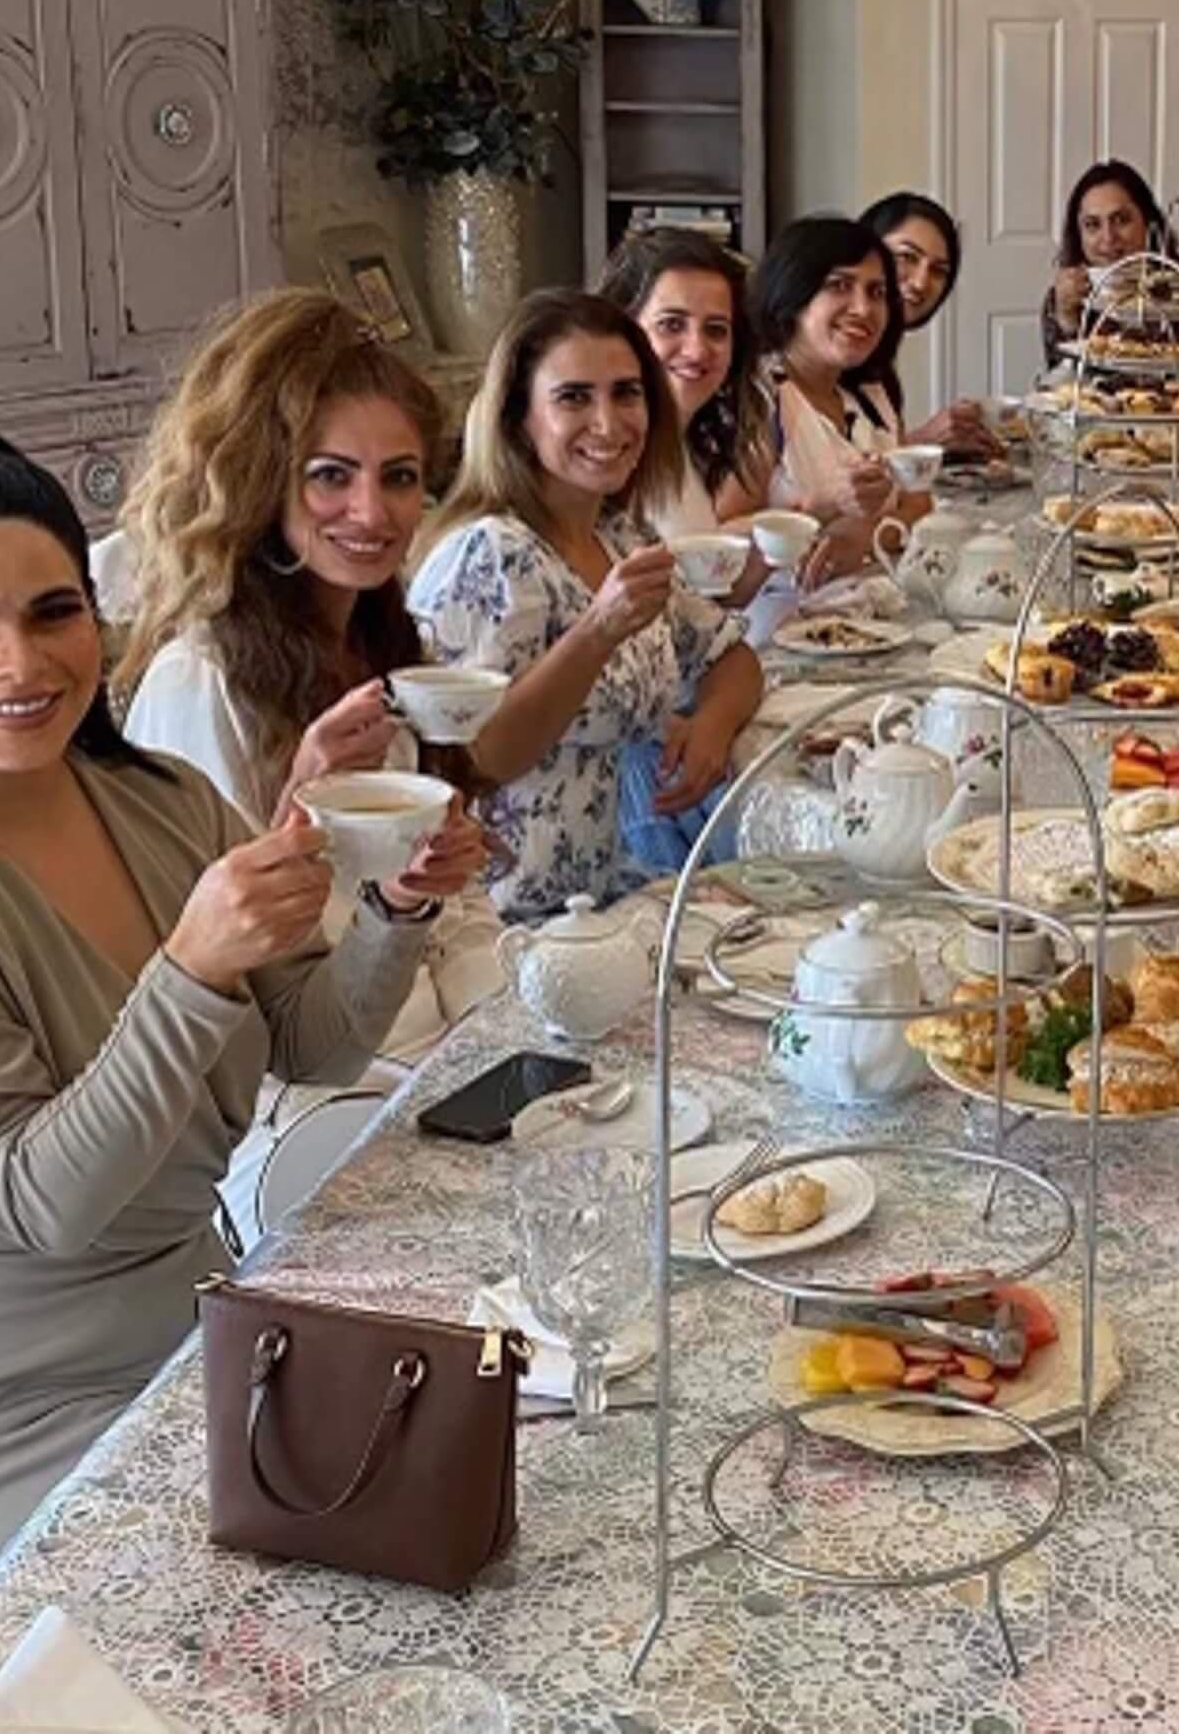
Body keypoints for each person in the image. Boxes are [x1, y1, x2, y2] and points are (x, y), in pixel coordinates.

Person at [0, 429, 482, 1611]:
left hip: (186, 1348)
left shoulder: (154, 797)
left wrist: (398, 909)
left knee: (473, 1473)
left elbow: (314, 1044)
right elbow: (42, 1202)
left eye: (54, 611)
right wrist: (192, 965)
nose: (18, 658)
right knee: (312, 1612)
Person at [114, 290, 503, 1231]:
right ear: (263, 483)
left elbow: (447, 919)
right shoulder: (198, 682)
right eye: (331, 476)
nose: (371, 512)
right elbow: (212, 981)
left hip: (430, 1069)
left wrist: (497, 1030)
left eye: (400, 477)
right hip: (301, 1115)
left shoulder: (386, 654)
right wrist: (297, 797)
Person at [408, 290, 765, 919]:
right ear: (519, 417)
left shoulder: (618, 536)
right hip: (508, 917)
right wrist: (595, 632)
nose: (608, 423)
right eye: (574, 397)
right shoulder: (489, 556)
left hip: (609, 893)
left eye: (626, 394)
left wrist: (711, 723)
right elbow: (475, 761)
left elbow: (733, 654)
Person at [595, 227, 773, 607]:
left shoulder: (689, 449)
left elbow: (703, 610)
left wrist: (771, 548)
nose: (696, 350)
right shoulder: (604, 461)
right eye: (671, 325)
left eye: (716, 330)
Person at [753, 214, 932, 591]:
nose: (863, 309)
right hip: (785, 623)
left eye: (877, 292)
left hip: (876, 613)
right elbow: (727, 539)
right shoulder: (761, 399)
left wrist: (862, 538)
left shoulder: (873, 393)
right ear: (793, 294)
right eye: (839, 286)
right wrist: (824, 508)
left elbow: (919, 505)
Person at [859, 191, 997, 459]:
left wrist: (950, 441)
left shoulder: (881, 362)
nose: (921, 282)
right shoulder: (838, 352)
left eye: (938, 271)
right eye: (907, 257)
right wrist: (924, 440)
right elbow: (834, 477)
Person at [1045, 160, 1166, 362]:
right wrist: (1068, 322)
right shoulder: (1063, 298)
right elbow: (1063, 383)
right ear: (1078, 235)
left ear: (1148, 222)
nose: (1108, 237)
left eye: (1121, 220)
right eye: (1092, 225)